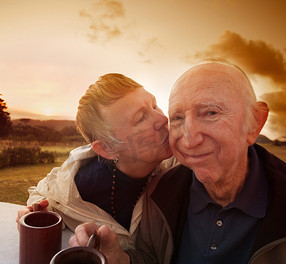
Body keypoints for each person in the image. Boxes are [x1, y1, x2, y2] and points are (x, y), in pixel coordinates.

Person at [70, 60, 286, 264]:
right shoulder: (161, 194)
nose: (189, 137)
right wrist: (118, 260)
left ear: (254, 123)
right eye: (178, 117)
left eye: (211, 112)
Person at [16, 73, 174, 250]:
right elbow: (46, 194)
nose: (163, 119)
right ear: (107, 148)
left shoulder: (182, 163)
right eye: (141, 118)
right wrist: (34, 211)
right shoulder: (76, 188)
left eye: (154, 105)